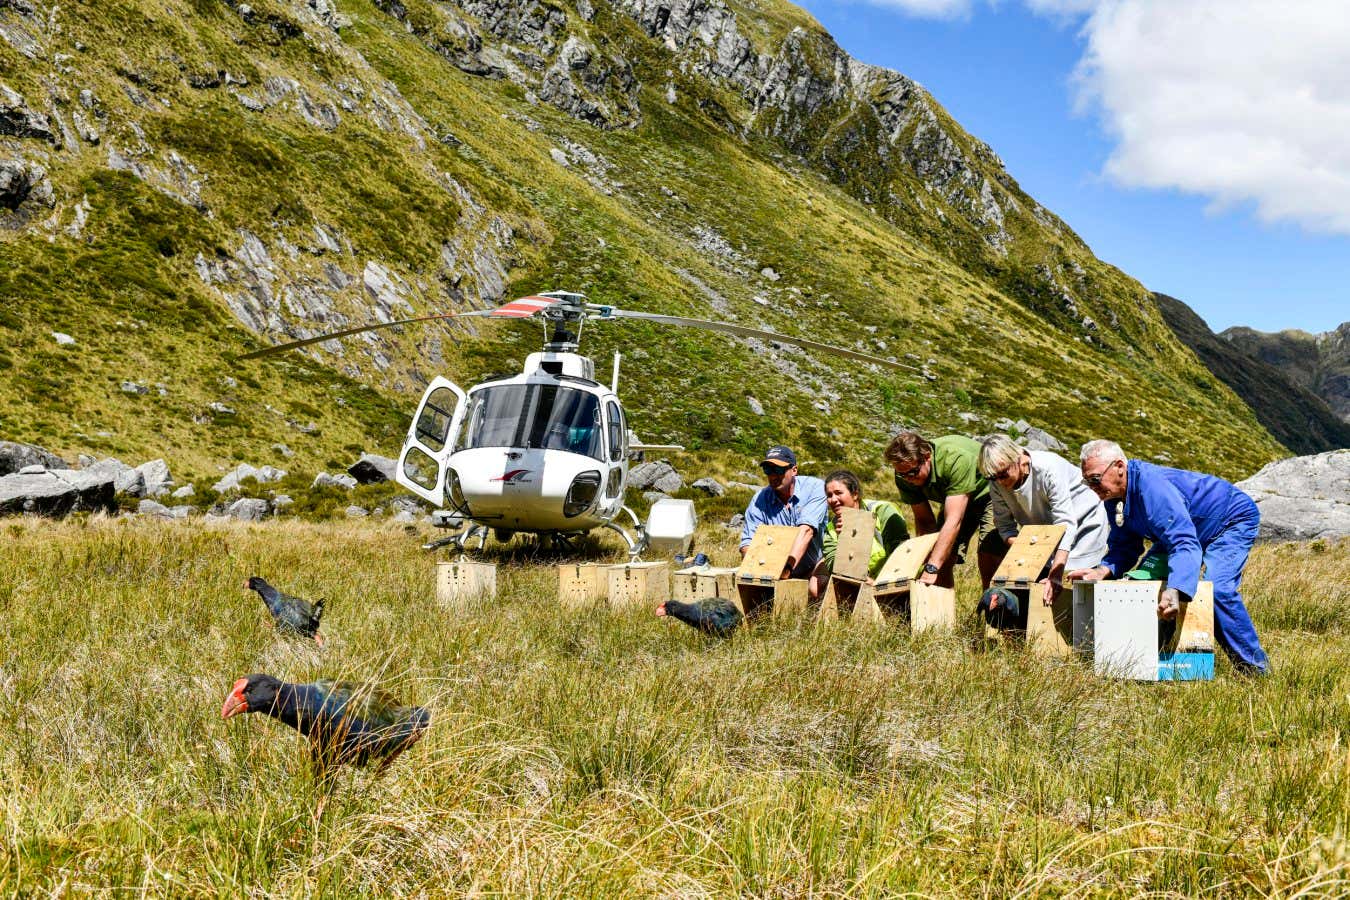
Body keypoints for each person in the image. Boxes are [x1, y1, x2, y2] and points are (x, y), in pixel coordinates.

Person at [1067, 439, 1268, 674]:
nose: (1092, 486)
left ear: (1119, 466)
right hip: (1178, 532)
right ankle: (1150, 661)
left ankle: (1254, 670)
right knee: (1138, 582)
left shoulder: (1153, 490)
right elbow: (1125, 545)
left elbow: (1183, 542)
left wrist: (1176, 589)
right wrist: (1103, 570)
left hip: (1228, 521)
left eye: (1095, 478)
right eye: (1086, 481)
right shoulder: (1113, 498)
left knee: (1218, 591)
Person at [977, 435, 1109, 607]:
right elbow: (1004, 525)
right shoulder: (997, 483)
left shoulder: (1048, 468)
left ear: (1018, 459)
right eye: (994, 478)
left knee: (1076, 581)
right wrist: (1029, 550)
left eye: (1003, 474)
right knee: (1040, 586)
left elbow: (1065, 523)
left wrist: (1056, 572)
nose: (1000, 482)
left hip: (1083, 522)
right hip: (1046, 533)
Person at [884, 431, 1006, 589]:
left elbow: (953, 520)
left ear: (927, 457)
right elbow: (924, 521)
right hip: (955, 497)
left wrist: (932, 566)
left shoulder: (954, 460)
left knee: (989, 551)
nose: (909, 478)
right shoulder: (904, 475)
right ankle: (941, 609)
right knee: (940, 554)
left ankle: (994, 607)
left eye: (913, 472)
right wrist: (928, 558)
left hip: (990, 493)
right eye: (903, 474)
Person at [809, 469, 910, 599]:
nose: (833, 499)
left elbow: (900, 551)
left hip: (891, 579)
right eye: (829, 495)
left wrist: (879, 583)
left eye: (838, 493)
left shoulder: (882, 510)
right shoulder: (831, 529)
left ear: (855, 494)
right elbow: (834, 567)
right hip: (858, 581)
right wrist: (845, 541)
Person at [739, 446, 828, 579]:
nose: (773, 476)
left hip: (813, 566)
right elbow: (748, 542)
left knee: (814, 590)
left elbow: (806, 531)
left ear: (794, 470)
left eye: (779, 469)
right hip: (774, 569)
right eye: (768, 470)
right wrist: (756, 571)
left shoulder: (815, 488)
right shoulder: (760, 499)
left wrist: (786, 570)